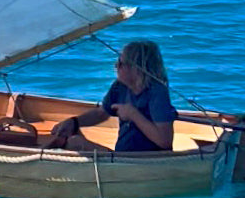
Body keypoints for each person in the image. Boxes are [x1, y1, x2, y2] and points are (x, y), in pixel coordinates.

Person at [46, 40, 175, 153]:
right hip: (122, 155)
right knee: (69, 137)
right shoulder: (120, 86)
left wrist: (133, 114)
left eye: (121, 63)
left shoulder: (157, 92)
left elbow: (165, 141)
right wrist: (74, 122)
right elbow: (102, 113)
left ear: (137, 68)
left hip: (145, 161)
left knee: (75, 143)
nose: (116, 66)